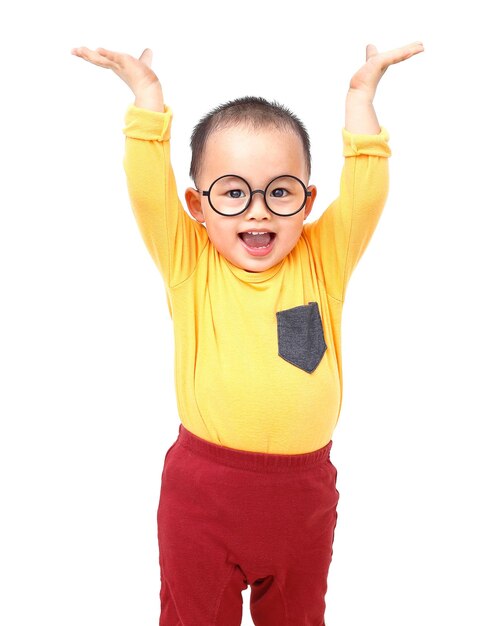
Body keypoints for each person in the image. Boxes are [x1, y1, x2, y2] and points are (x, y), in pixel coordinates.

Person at [71, 41, 424, 626]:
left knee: (298, 617)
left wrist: (361, 101)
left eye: (280, 192)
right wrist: (148, 106)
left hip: (303, 499)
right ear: (198, 206)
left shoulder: (322, 259)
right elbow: (145, 187)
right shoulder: (190, 260)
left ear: (308, 203)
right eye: (233, 192)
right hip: (203, 498)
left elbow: (367, 192)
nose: (257, 212)